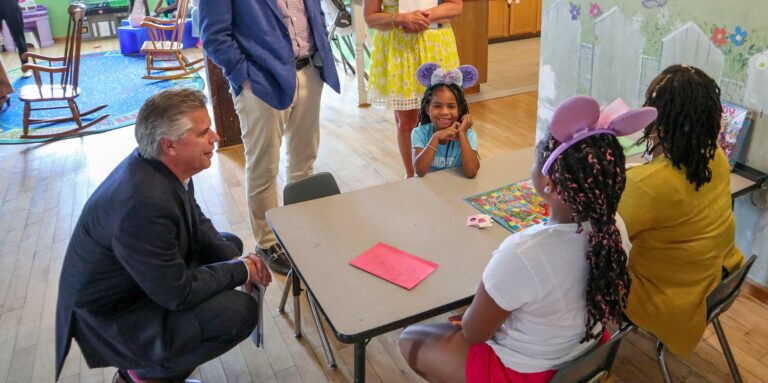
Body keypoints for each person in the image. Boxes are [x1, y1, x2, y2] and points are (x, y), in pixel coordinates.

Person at [398, 96, 655, 383]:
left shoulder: (524, 252)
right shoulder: (615, 225)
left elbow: (474, 332)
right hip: (584, 355)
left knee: (410, 339)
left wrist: (473, 313)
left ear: (549, 184)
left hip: (524, 372)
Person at [54, 88, 273, 383]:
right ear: (169, 145)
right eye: (203, 133)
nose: (216, 137)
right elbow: (177, 293)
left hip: (137, 284)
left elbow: (194, 214)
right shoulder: (143, 205)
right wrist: (240, 270)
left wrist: (229, 258)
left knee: (227, 244)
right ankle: (144, 374)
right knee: (240, 312)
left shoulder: (161, 165)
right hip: (120, 317)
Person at [200, 0, 340, 276]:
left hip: (310, 70)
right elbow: (214, 35)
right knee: (264, 165)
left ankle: (301, 226)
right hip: (261, 82)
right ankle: (268, 242)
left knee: (305, 159)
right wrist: (245, 79)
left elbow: (314, 12)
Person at [619, 64, 746, 357]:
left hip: (669, 301)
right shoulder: (714, 157)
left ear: (659, 121)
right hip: (717, 282)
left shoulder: (649, 186)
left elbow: (595, 230)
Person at [364, 0, 462, 178]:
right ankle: (412, 176)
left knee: (442, 114)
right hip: (400, 48)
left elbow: (455, 6)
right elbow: (370, 17)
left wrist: (420, 17)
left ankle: (442, 172)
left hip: (436, 46)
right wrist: (401, 18)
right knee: (406, 120)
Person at [411, 63, 480, 178]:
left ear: (460, 109)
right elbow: (420, 170)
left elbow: (471, 172)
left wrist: (462, 134)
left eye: (451, 106)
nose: (444, 112)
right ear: (428, 109)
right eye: (437, 106)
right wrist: (436, 137)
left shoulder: (469, 135)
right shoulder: (419, 133)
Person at [0, 0, 30, 77]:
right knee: (19, 38)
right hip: (11, 4)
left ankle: (26, 68)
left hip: (11, 4)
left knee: (19, 38)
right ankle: (26, 69)